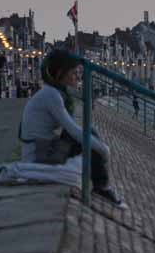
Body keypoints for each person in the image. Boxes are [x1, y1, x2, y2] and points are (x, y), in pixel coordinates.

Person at [19, 48, 126, 209]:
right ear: (61, 73)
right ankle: (102, 187)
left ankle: (101, 186)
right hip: (39, 154)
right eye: (74, 72)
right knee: (88, 135)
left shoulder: (53, 93)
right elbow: (73, 130)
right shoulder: (52, 95)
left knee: (88, 132)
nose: (78, 76)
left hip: (41, 147)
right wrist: (104, 150)